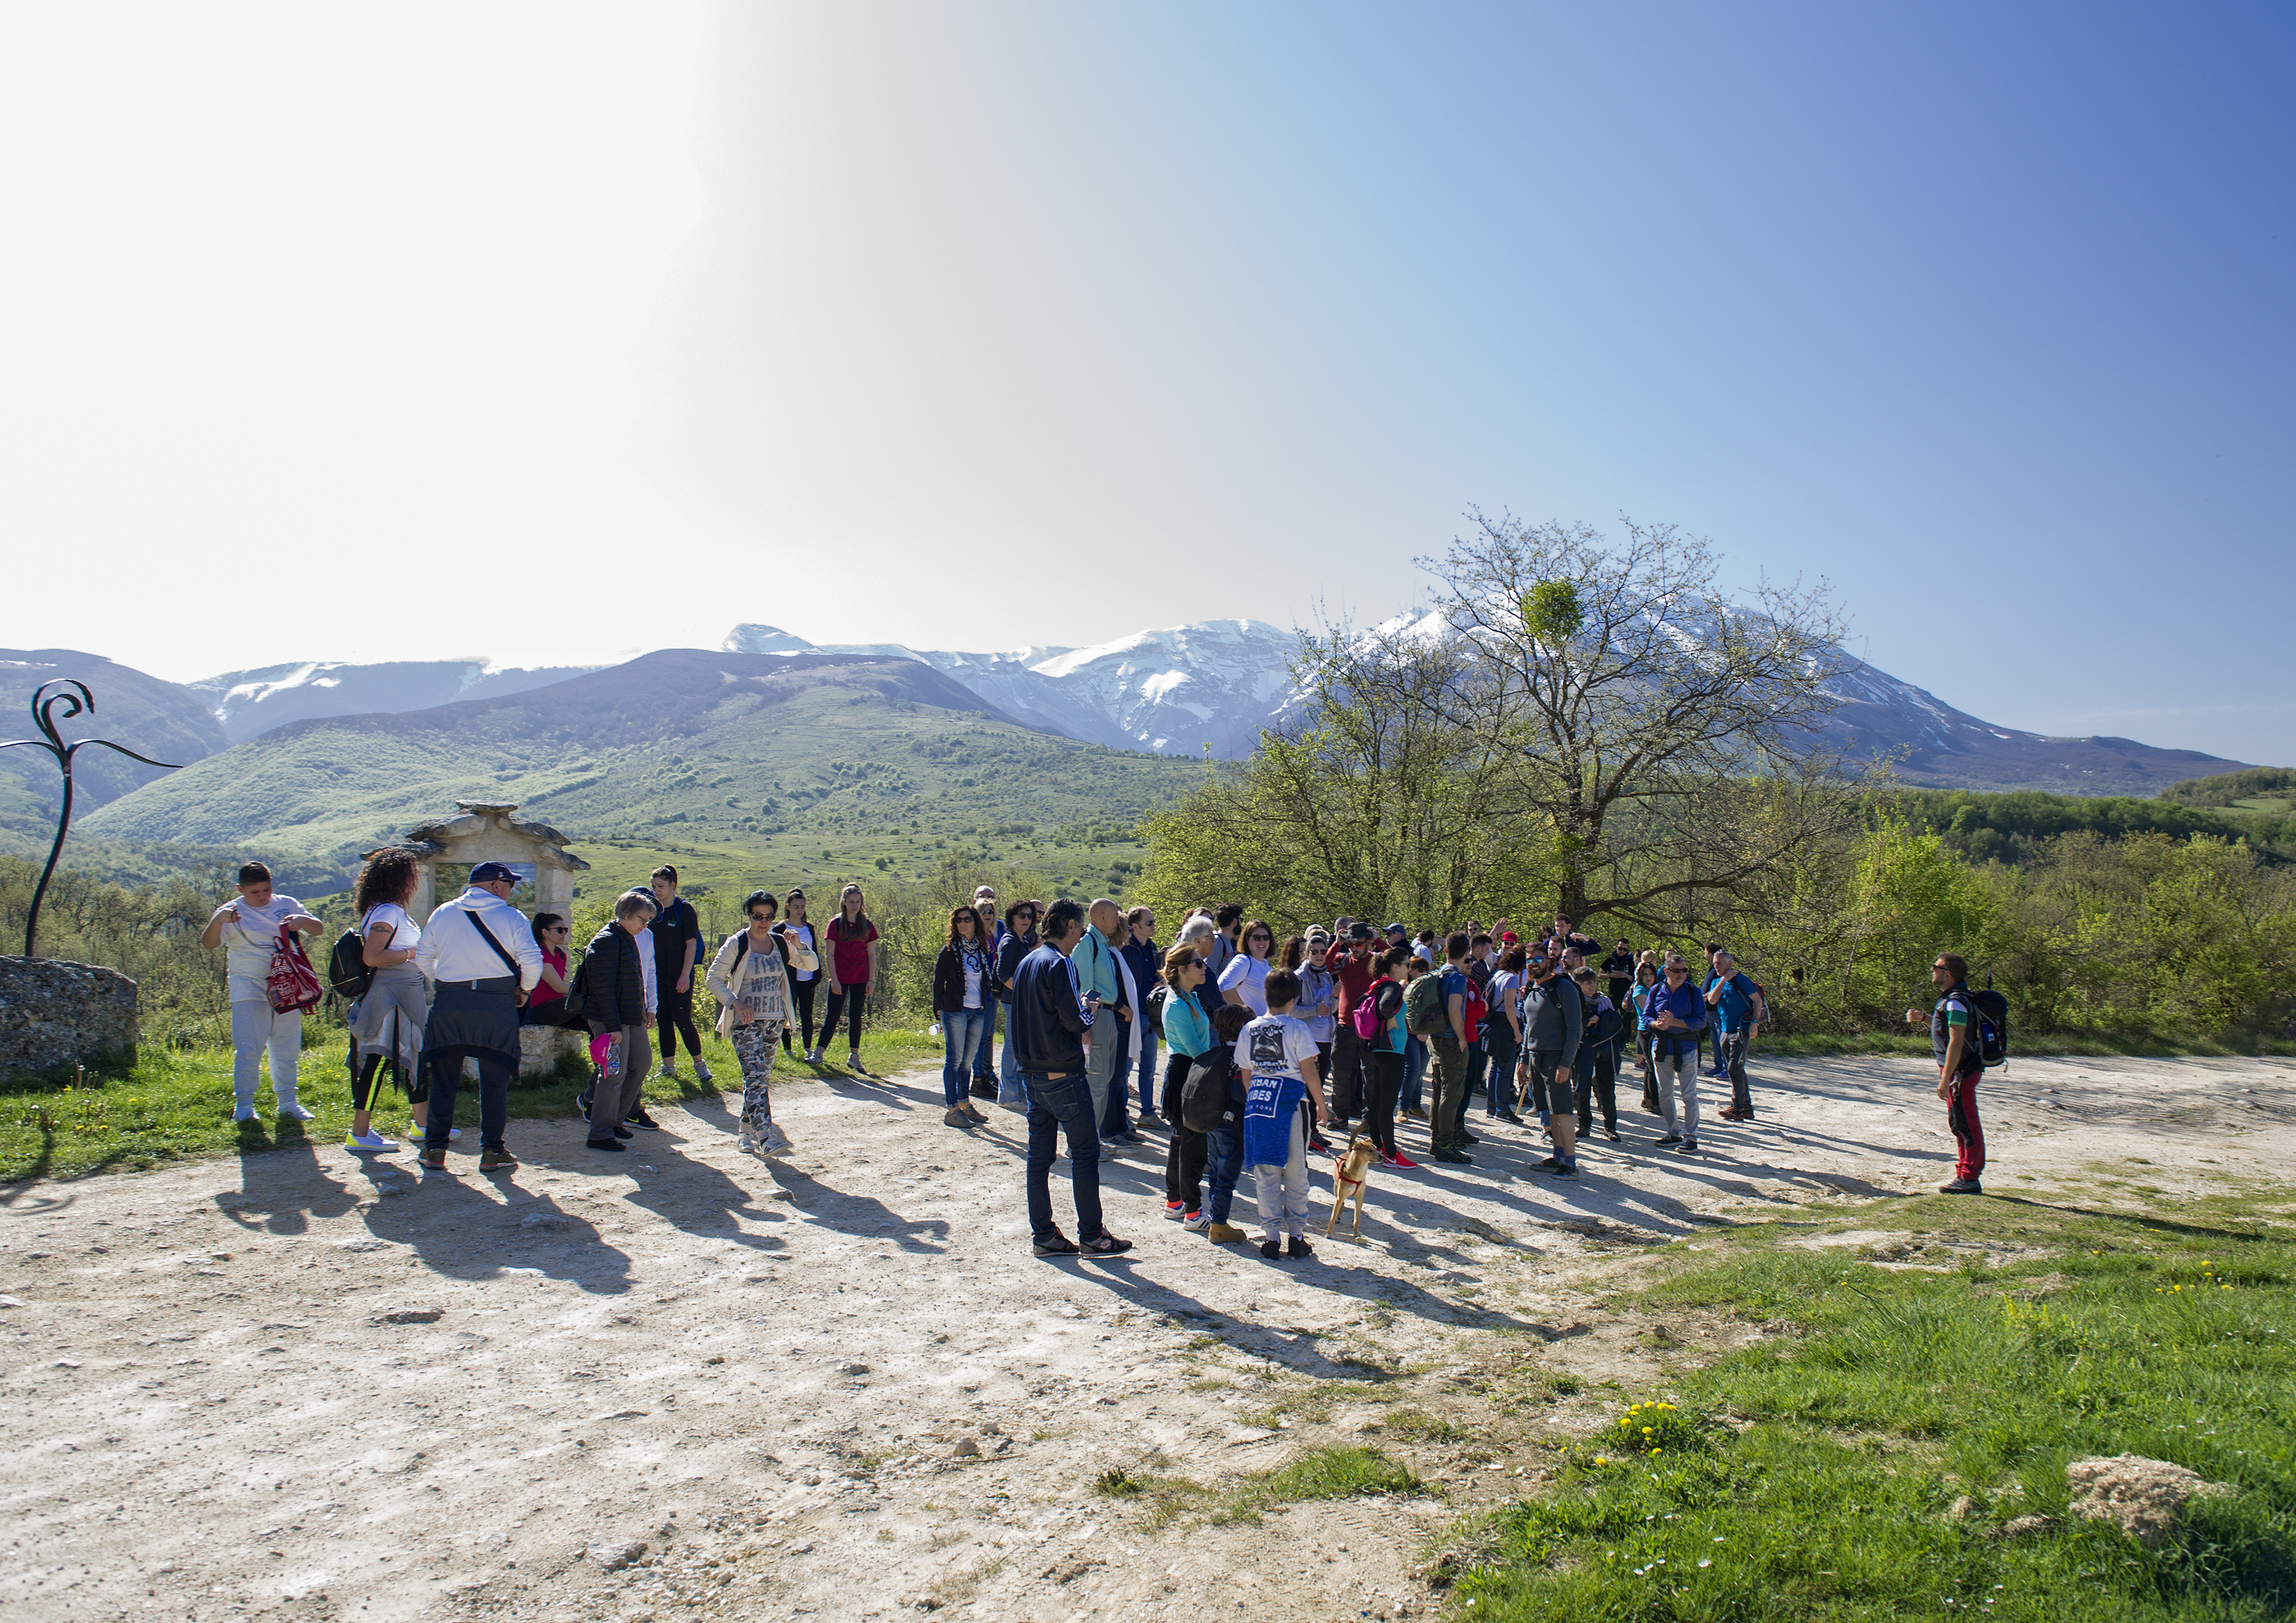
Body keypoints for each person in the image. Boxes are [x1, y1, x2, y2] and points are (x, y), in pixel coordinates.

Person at [1011, 898, 1132, 1257]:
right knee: (1085, 1152)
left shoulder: (1028, 961)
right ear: (1068, 926)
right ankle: (1092, 1235)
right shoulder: (1060, 963)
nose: (1080, 935)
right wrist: (1089, 1009)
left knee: (1039, 1157)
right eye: (1079, 927)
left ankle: (1044, 1235)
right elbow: (1075, 1021)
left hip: (1032, 1073)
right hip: (1062, 1072)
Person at [412, 860, 542, 1173]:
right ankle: (492, 1151)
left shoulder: (442, 913)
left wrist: (446, 982)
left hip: (450, 1002)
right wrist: (524, 991)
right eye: (509, 884)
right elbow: (533, 962)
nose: (511, 891)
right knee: (495, 1080)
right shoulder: (513, 917)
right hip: (496, 1003)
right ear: (496, 885)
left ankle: (435, 1149)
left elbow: (423, 958)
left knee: (444, 1078)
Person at [200, 861, 327, 1124]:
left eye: (266, 890)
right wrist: (217, 921)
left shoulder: (287, 903)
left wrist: (303, 921)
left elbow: (318, 930)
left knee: (287, 1046)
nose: (262, 896)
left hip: (287, 985)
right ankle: (244, 1106)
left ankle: (288, 1103)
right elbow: (209, 944)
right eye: (254, 892)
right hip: (248, 985)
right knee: (249, 1047)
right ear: (240, 889)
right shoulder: (230, 912)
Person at [708, 889, 811, 1154]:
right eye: (757, 916)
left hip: (775, 1020)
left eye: (769, 916)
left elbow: (810, 965)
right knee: (755, 1077)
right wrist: (735, 1002)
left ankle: (745, 1133)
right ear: (748, 915)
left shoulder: (779, 943)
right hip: (745, 1022)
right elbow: (713, 978)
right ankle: (766, 1138)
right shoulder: (737, 943)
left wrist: (799, 945)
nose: (763, 922)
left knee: (760, 1079)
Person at [1236, 969, 1325, 1260]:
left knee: (1266, 1171)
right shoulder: (1297, 1028)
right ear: (1293, 1000)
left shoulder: (1249, 1029)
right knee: (1296, 1169)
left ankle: (1271, 1236)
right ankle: (1296, 1234)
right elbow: (1309, 1072)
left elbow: (1246, 1075)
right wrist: (1321, 1104)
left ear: (1265, 995)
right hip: (1291, 1102)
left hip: (1260, 1103)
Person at [344, 848, 429, 1151]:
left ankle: (423, 1125)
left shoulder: (381, 910)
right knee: (378, 1060)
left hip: (400, 996)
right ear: (400, 879)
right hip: (391, 999)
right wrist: (412, 953)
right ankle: (359, 1133)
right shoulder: (387, 913)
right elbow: (373, 957)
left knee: (414, 1056)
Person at [581, 891, 657, 1153]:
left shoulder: (626, 937)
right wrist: (613, 1027)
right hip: (610, 1019)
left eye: (647, 921)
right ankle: (600, 1133)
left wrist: (645, 1011)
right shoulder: (606, 941)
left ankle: (616, 1120)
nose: (644, 925)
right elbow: (603, 990)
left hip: (631, 1016)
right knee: (613, 1075)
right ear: (625, 914)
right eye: (642, 920)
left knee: (642, 1063)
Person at [1907, 953, 1987, 1194]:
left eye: (1936, 967)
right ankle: (1965, 1174)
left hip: (1960, 1072)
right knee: (1960, 1122)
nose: (1932, 970)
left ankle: (1969, 1177)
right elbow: (1948, 1027)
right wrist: (1924, 1018)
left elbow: (1957, 1042)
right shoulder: (1954, 999)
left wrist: (1945, 1079)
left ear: (1947, 974)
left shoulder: (1956, 1001)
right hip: (1959, 1071)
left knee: (1966, 1123)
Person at [1158, 944, 1215, 1228]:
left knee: (1181, 1142)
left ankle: (1175, 1203)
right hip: (1185, 1076)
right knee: (1193, 1147)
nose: (1204, 967)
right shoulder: (1178, 1005)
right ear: (1182, 969)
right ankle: (1193, 1212)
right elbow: (1196, 1051)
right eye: (1198, 963)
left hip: (1189, 1074)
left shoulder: (1188, 996)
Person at [1516, 946, 1584, 1177]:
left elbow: (1575, 1028)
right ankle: (1558, 1156)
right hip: (1536, 1057)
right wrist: (1524, 1059)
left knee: (1563, 1110)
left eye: (1538, 959)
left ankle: (1570, 1164)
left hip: (1556, 1058)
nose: (1534, 963)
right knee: (1550, 1110)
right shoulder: (1532, 989)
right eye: (1529, 960)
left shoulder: (1563, 987)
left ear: (1549, 960)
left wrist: (1566, 1063)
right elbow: (1528, 1028)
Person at [1071, 899, 1134, 1140]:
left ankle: (1094, 1139)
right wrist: (1085, 1024)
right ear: (1102, 917)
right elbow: (1084, 988)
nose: (1119, 921)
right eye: (1115, 916)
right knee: (1095, 1081)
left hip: (1107, 1016)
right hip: (1097, 1017)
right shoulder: (1088, 943)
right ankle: (1086, 1142)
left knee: (1103, 1079)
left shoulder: (1102, 944)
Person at [931, 904, 997, 1130]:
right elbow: (938, 981)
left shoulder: (981, 950)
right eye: (958, 920)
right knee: (954, 1059)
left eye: (967, 920)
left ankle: (964, 1103)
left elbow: (986, 980)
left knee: (967, 1061)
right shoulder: (949, 951)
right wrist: (937, 1009)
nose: (963, 924)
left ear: (975, 923)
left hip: (977, 1010)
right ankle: (952, 1110)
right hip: (955, 1010)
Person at [647, 866, 711, 1084]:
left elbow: (691, 944)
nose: (656, 890)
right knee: (663, 1020)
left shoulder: (683, 909)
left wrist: (685, 975)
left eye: (660, 886)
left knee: (683, 1019)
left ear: (672, 885)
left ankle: (700, 1064)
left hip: (680, 975)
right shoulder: (652, 910)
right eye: (653, 886)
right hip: (657, 976)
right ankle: (669, 1068)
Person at [1645, 953, 1708, 1151]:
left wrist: (1675, 1023)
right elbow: (1646, 1017)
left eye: (1684, 971)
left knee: (1689, 1094)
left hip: (1686, 1048)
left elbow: (1701, 1021)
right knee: (1665, 1094)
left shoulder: (1693, 992)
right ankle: (1673, 1133)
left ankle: (1691, 1137)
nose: (1681, 974)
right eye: (1677, 971)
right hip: (1662, 1048)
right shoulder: (1656, 990)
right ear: (1666, 972)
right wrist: (1657, 1024)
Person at [1426, 933, 1479, 1166]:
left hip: (1435, 1038)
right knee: (1452, 1093)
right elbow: (1454, 1009)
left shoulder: (1437, 974)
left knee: (1438, 1089)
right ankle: (1445, 1144)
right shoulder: (1457, 978)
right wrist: (1461, 1038)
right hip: (1451, 1040)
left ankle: (1436, 1139)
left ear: (1446, 951)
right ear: (1467, 952)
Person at [1360, 946, 1414, 1169]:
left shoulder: (1378, 985)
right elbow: (1384, 1005)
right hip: (1391, 1051)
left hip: (1378, 1050)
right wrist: (1390, 1020)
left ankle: (1378, 1145)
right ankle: (1391, 1154)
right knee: (1387, 1105)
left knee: (1377, 1101)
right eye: (1406, 965)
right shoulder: (1392, 987)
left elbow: (1358, 1003)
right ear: (1395, 967)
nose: (1409, 969)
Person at [1322, 923, 1377, 1133]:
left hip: (1370, 1028)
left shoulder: (1376, 961)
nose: (1354, 948)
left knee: (1371, 1075)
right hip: (1345, 1026)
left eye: (1359, 944)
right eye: (1351, 944)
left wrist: (1379, 941)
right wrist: (1337, 944)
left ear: (1368, 942)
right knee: (1340, 1074)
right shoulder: (1343, 960)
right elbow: (1325, 965)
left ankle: (1369, 1119)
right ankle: (1341, 1117)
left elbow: (1396, 960)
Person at [1288, 930, 1338, 1154]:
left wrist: (1335, 996)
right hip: (1306, 1037)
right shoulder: (1299, 978)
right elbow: (1291, 1010)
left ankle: (1312, 1131)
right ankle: (1306, 1132)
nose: (1319, 956)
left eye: (1323, 952)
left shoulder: (1327, 976)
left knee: (1319, 1082)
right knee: (1307, 1086)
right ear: (1307, 953)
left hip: (1325, 1037)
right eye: (1314, 952)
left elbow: (1330, 1010)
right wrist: (1314, 1010)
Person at [821, 883, 880, 1073]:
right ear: (844, 902)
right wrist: (834, 979)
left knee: (856, 1016)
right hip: (840, 976)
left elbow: (872, 954)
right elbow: (829, 954)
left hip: (861, 977)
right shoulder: (835, 924)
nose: (855, 905)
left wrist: (871, 980)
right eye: (851, 902)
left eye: (858, 902)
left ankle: (854, 1056)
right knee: (833, 1015)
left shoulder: (867, 925)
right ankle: (819, 1052)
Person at [992, 899, 1041, 1111]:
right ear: (1012, 917)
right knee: (1012, 1049)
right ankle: (1008, 1095)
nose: (1027, 920)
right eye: (1022, 916)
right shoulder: (1010, 941)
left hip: (1021, 1002)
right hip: (1013, 1001)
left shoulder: (1022, 940)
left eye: (1030, 916)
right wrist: (1021, 993)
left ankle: (1018, 1093)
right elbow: (1003, 973)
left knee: (1019, 1049)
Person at [1706, 950, 1763, 1121]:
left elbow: (1758, 1001)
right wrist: (1723, 980)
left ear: (1729, 964)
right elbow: (1712, 1000)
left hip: (1741, 1030)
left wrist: (1754, 1023)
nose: (1717, 966)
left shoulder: (1741, 980)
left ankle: (1737, 1109)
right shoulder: (1717, 981)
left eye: (1720, 963)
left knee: (1734, 1068)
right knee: (1737, 1069)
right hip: (1725, 1030)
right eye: (1715, 963)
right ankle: (1747, 1107)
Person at [1119, 906, 1162, 1126]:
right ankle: (1122, 1115)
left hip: (1150, 1014)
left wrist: (1160, 982)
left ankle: (1147, 1114)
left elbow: (1155, 975)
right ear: (1135, 926)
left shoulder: (1152, 948)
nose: (1154, 926)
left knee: (1148, 1069)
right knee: (1126, 1069)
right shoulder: (1126, 948)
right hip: (1132, 1016)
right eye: (1149, 922)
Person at [1573, 966, 1623, 1141]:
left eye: (1594, 982)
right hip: (1583, 1051)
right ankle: (1584, 1125)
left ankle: (1611, 1127)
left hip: (1604, 1052)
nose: (1593, 986)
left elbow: (1614, 1023)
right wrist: (1586, 1023)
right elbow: (1570, 1027)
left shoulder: (1604, 1001)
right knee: (1583, 1089)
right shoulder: (1575, 1001)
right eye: (1588, 983)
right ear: (1578, 984)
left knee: (1607, 1091)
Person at [969, 885, 1005, 1097]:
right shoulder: (972, 933)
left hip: (993, 990)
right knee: (980, 1036)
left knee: (989, 1034)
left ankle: (986, 1073)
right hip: (979, 992)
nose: (988, 914)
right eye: (983, 910)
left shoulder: (997, 930)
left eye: (991, 910)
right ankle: (978, 1078)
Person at [1484, 947, 1526, 1124]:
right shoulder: (1511, 978)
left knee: (1495, 1066)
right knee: (1505, 1068)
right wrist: (1516, 1031)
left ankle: (1492, 1107)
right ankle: (1503, 1109)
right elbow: (1509, 1005)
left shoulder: (1498, 975)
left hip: (1494, 1023)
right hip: (1505, 1025)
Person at [781, 889, 820, 1058]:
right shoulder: (781, 928)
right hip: (790, 978)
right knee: (787, 1013)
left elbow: (814, 951)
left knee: (807, 1014)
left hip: (808, 977)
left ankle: (808, 1049)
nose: (800, 910)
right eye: (796, 906)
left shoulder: (809, 928)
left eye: (802, 907)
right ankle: (787, 1049)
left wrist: (817, 973)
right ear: (788, 907)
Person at [1217, 918, 1274, 1014]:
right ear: (1247, 939)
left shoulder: (1267, 967)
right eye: (1257, 937)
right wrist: (1246, 1014)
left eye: (1266, 937)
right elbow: (1224, 983)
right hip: (1251, 1023)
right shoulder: (1244, 961)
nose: (1262, 941)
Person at [1602, 938, 1636, 1014]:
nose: (1622, 951)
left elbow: (1635, 979)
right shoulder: (1610, 960)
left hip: (1626, 994)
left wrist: (1626, 976)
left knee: (1626, 1018)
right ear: (1616, 947)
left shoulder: (1631, 962)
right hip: (1613, 993)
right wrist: (1611, 975)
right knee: (1612, 1015)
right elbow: (1600, 975)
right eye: (1620, 948)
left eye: (1625, 950)